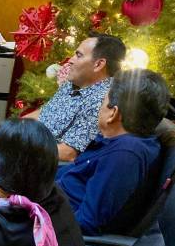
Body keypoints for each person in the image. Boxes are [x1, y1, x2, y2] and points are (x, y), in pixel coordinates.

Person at [56, 69, 169, 235]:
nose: (99, 107)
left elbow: (86, 222)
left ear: (113, 113)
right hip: (46, 199)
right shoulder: (119, 143)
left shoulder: (125, 155)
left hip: (48, 226)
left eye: (103, 101)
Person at [0, 33, 126, 162]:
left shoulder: (102, 100)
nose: (70, 60)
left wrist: (20, 142)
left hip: (42, 163)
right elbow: (45, 112)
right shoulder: (76, 81)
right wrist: (8, 128)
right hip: (27, 147)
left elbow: (69, 153)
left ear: (99, 64)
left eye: (79, 55)